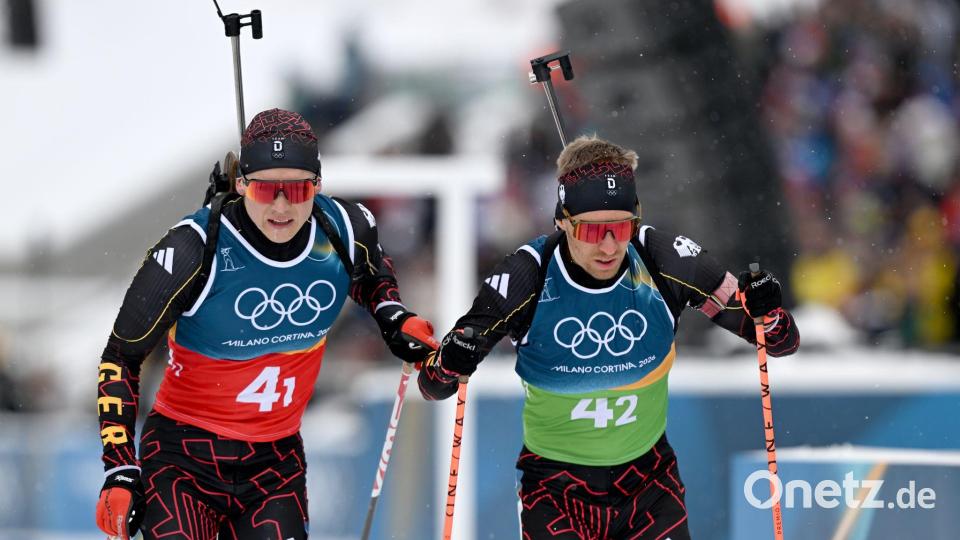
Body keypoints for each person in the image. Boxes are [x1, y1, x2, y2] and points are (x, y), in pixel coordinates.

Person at [419, 135, 800, 539]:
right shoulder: (528, 275)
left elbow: (778, 341)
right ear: (563, 221)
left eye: (621, 227)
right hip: (556, 489)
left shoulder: (664, 258)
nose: (609, 246)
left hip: (649, 485)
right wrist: (451, 361)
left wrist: (768, 309)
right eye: (592, 231)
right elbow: (433, 385)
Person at [95, 108, 439, 539]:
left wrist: (394, 317)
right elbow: (120, 357)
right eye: (264, 189)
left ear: (317, 184)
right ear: (241, 184)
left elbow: (373, 279)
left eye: (296, 189)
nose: (281, 206)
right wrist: (121, 469)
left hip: (274, 464)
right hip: (183, 459)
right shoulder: (193, 248)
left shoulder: (346, 230)